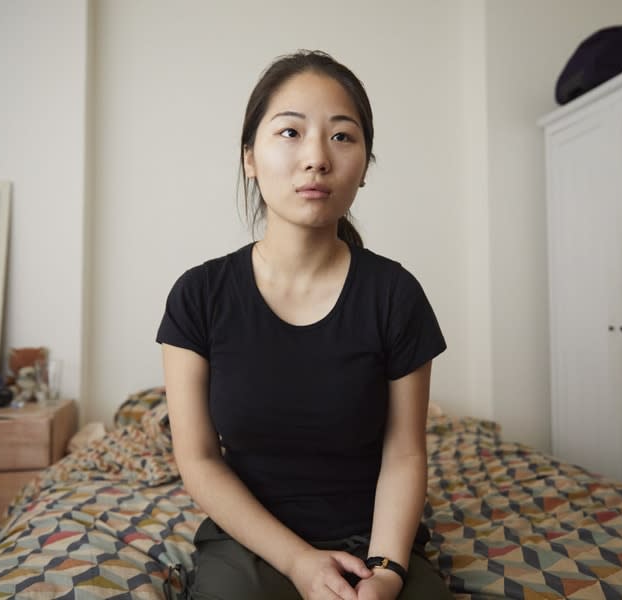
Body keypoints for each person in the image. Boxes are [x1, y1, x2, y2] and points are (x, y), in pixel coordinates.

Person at [157, 49, 450, 600]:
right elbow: (196, 459)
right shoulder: (199, 296)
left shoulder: (395, 294)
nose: (316, 157)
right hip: (251, 538)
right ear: (249, 157)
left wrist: (387, 569)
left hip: (374, 538)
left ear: (364, 165)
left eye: (342, 136)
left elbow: (406, 453)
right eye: (290, 132)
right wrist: (298, 562)